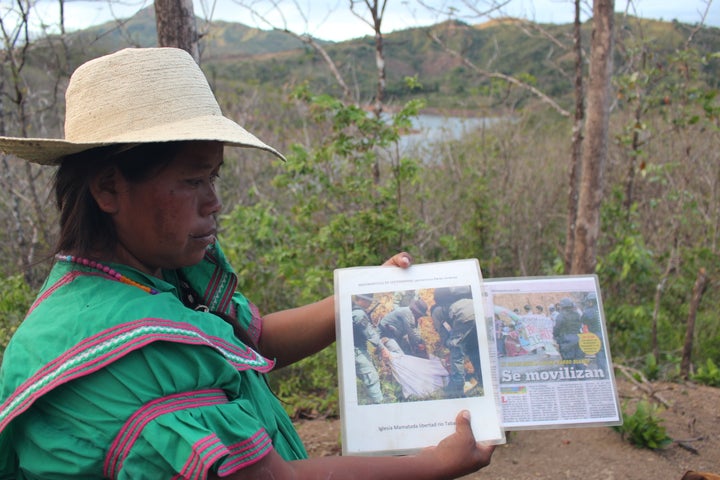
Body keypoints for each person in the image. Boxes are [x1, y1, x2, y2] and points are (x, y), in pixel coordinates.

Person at [0, 48, 494, 479]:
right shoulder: (126, 351)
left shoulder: (154, 276)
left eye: (213, 177)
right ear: (108, 188)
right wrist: (433, 464)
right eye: (193, 181)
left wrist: (366, 296)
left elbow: (254, 338)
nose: (214, 202)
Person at [430, 286, 482, 397]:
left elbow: (443, 332)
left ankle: (457, 386)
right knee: (474, 348)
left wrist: (449, 346)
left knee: (455, 348)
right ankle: (481, 378)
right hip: (478, 308)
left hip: (464, 314)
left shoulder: (436, 311)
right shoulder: (456, 300)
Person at [352, 294, 390, 404]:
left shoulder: (354, 311)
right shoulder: (359, 314)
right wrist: (382, 348)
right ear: (363, 299)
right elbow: (370, 334)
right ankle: (379, 404)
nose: (370, 304)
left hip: (357, 349)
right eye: (369, 301)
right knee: (371, 377)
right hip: (357, 350)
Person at [552, 297, 584, 361]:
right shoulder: (577, 314)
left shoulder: (560, 316)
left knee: (568, 361)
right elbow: (580, 325)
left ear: (562, 306)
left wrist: (555, 336)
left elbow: (557, 328)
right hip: (577, 337)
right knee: (579, 360)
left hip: (566, 340)